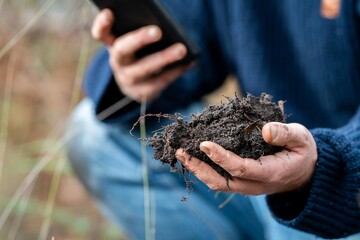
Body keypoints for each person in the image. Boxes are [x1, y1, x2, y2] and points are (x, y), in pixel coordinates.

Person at [66, 0, 360, 239]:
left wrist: (324, 168)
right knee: (95, 138)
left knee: (301, 218)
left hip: (342, 191)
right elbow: (186, 35)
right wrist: (132, 75)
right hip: (263, 172)